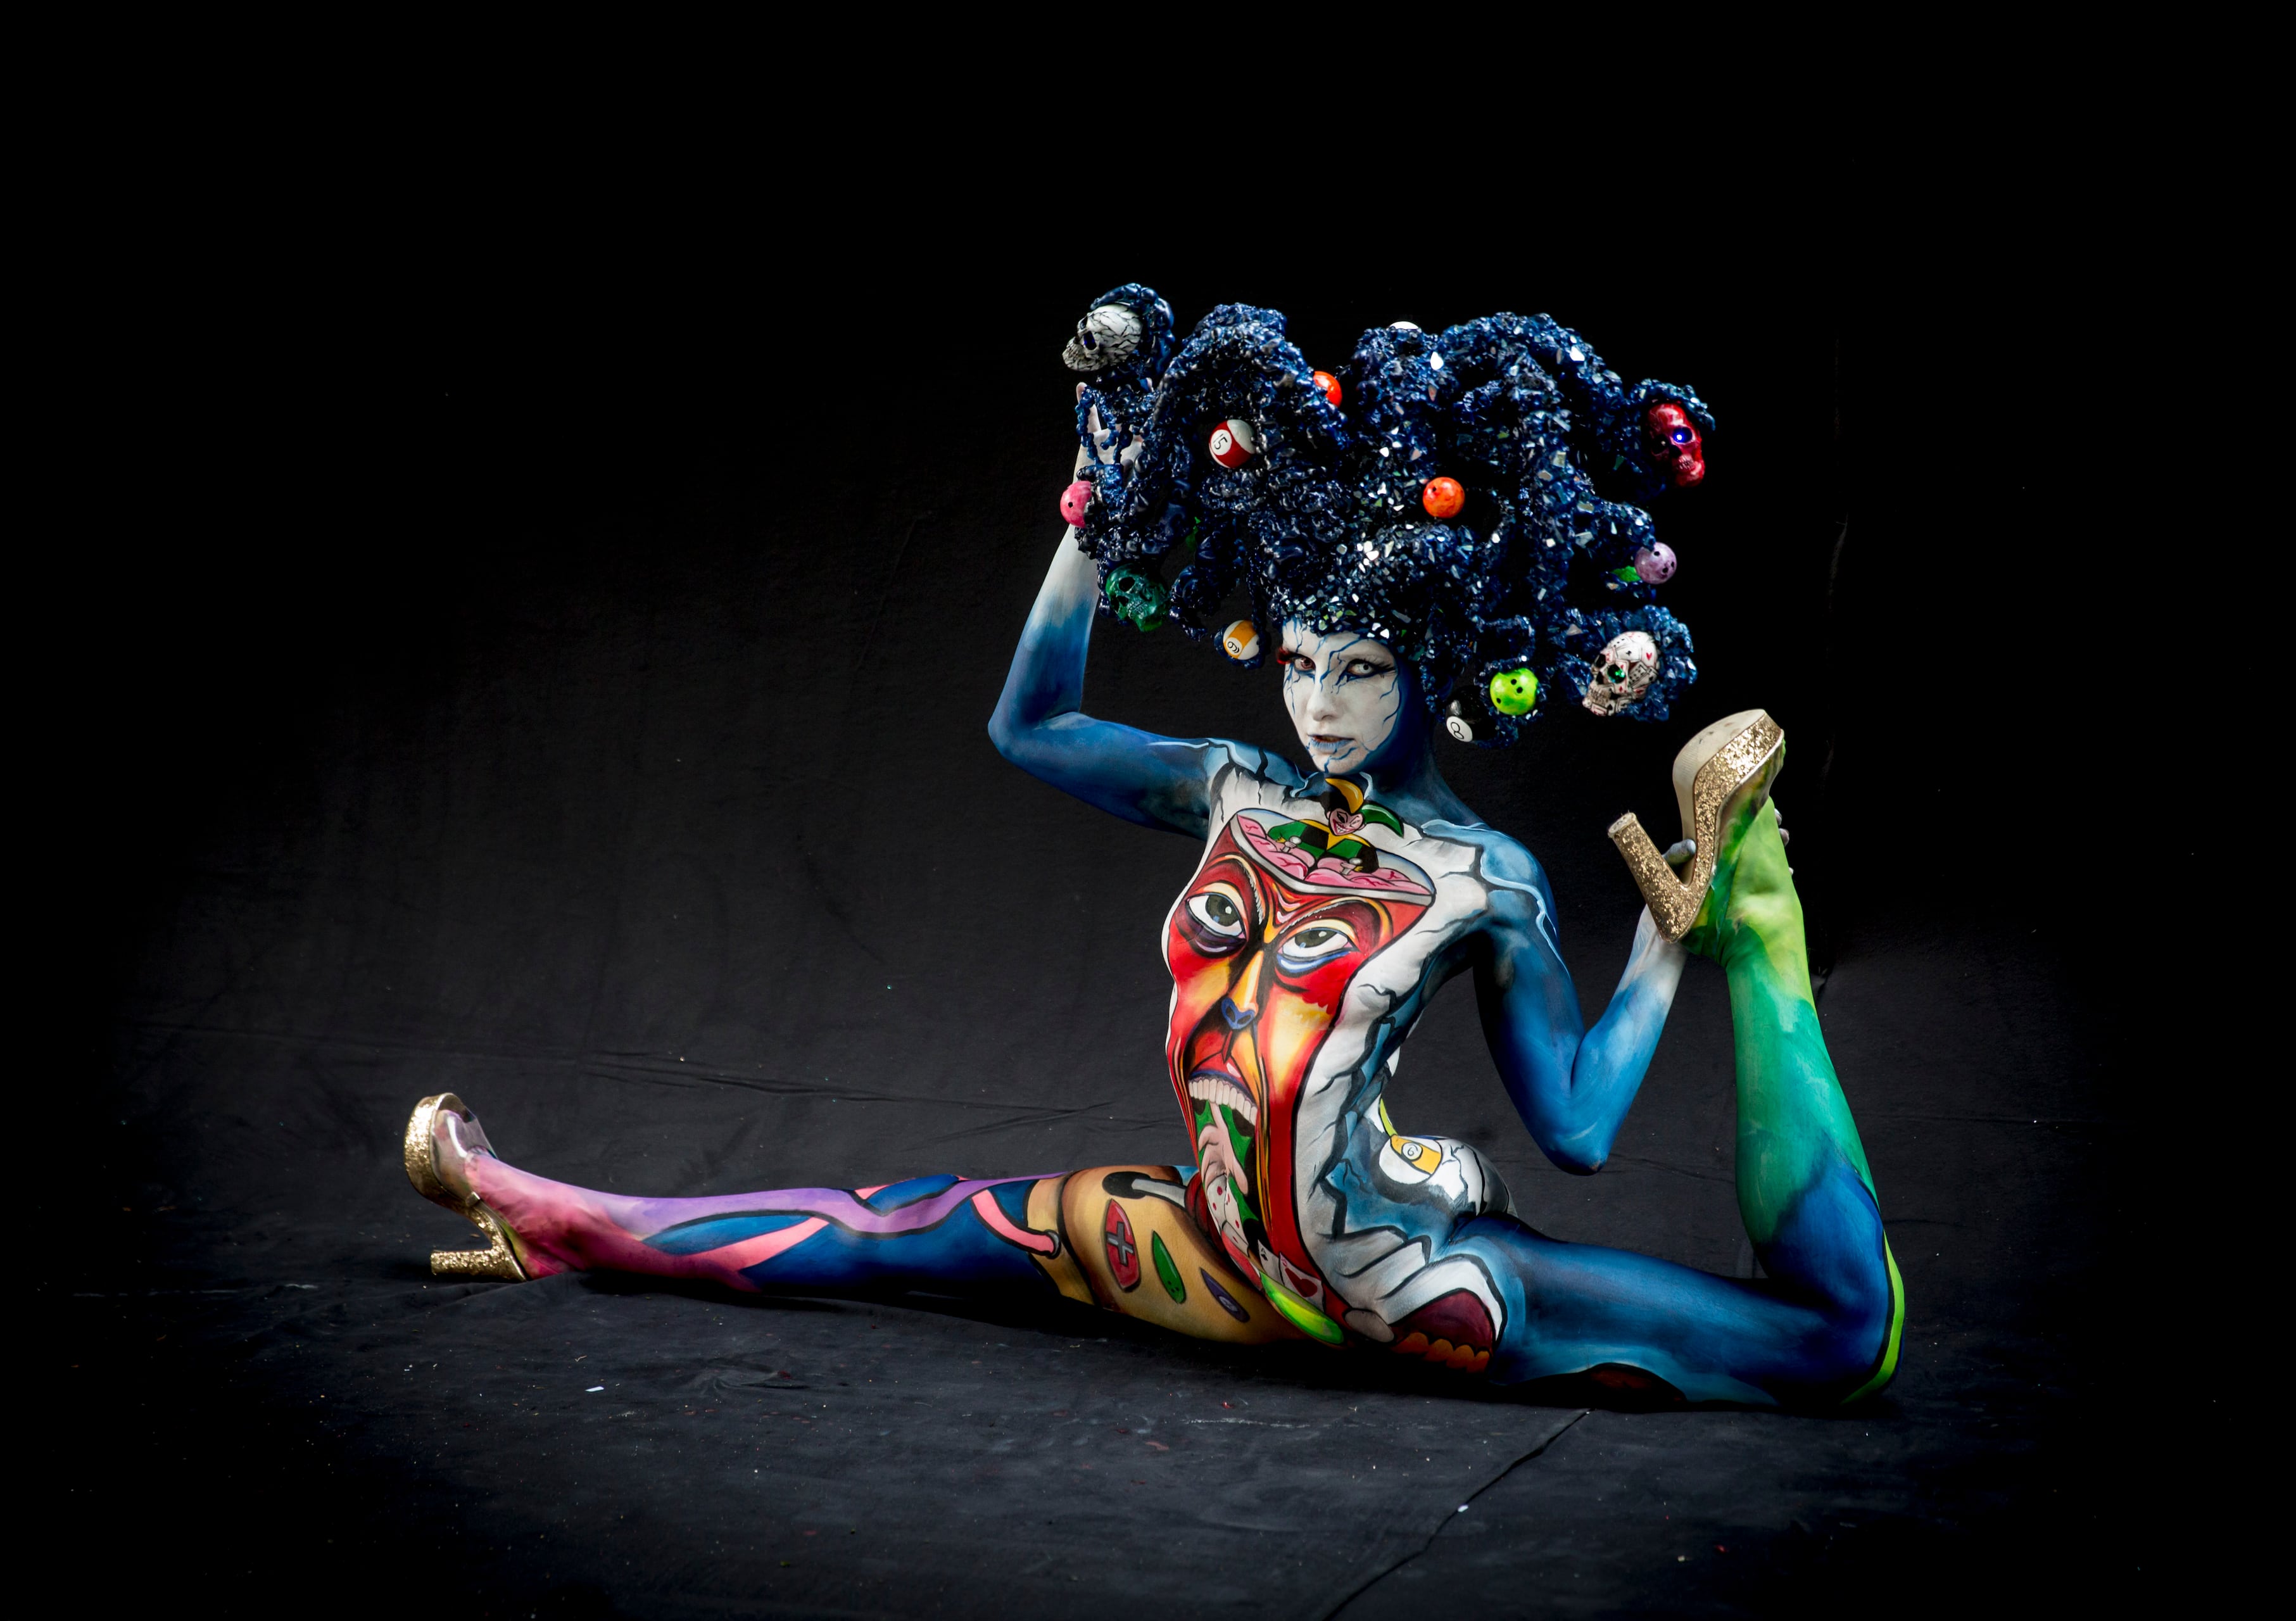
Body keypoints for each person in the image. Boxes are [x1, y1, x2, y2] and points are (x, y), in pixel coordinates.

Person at [403, 288, 1902, 1408]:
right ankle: (551, 1217)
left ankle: (1764, 913)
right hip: (1198, 1253)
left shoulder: (1485, 878)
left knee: (1835, 1344)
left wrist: (1672, 942)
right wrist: (1104, 507)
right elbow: (1030, 726)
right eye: (1301, 660)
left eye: (1362, 669)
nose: (1320, 704)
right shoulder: (1231, 790)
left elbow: (1576, 1125)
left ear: (1430, 673)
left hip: (1401, 1288)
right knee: (889, 1226)